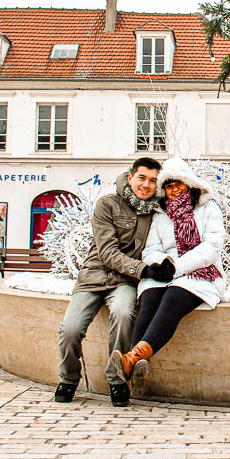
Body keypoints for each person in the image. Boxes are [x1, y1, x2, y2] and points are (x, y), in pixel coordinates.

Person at [55, 157, 171, 407]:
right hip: (93, 278)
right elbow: (107, 252)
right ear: (130, 178)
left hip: (125, 282)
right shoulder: (107, 204)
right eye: (142, 178)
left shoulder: (156, 211)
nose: (146, 185)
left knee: (123, 314)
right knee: (70, 329)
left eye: (153, 181)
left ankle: (117, 381)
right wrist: (145, 270)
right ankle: (68, 378)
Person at [111, 157, 225, 395]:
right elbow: (151, 248)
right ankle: (135, 364)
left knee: (173, 297)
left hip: (200, 272)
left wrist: (177, 267)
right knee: (150, 297)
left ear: (189, 184)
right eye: (169, 186)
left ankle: (132, 359)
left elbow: (212, 247)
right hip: (166, 271)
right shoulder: (161, 214)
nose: (173, 190)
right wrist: (158, 266)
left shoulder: (208, 209)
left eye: (178, 185)